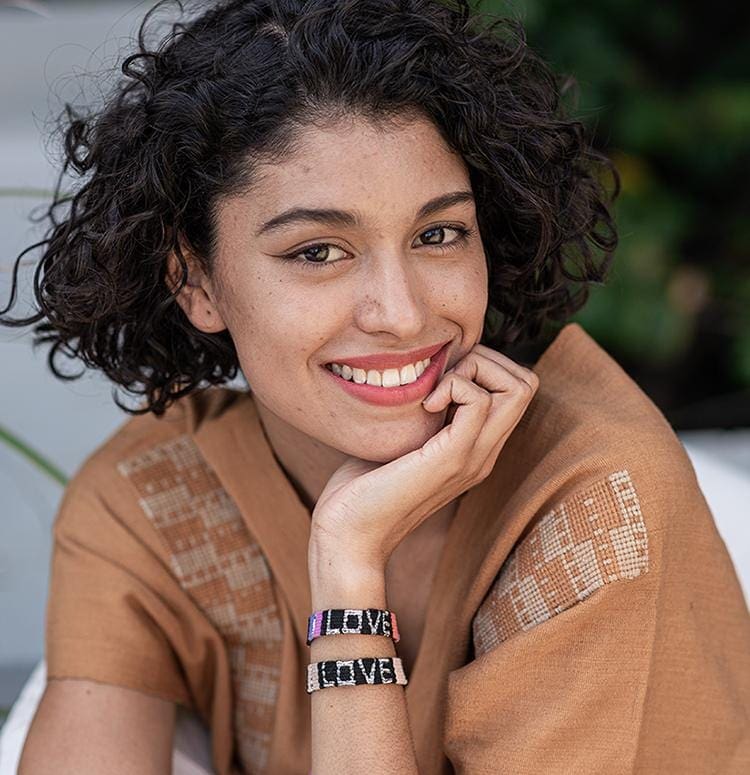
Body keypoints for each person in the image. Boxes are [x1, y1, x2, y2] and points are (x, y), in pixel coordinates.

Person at [4, 0, 748, 773]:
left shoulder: (598, 508)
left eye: (437, 234)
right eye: (319, 251)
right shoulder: (154, 500)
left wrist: (347, 569)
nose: (401, 313)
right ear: (197, 282)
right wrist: (350, 550)